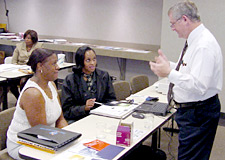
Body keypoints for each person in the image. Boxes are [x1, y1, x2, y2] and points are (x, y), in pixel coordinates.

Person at [149, 1, 223, 160]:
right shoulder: (196, 40)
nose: (173, 28)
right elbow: (189, 68)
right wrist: (170, 66)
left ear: (184, 19)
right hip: (195, 112)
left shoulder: (203, 45)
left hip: (198, 113)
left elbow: (198, 85)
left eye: (173, 24)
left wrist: (169, 73)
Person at [7, 48, 68, 160]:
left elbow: (60, 119)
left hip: (46, 138)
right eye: (54, 64)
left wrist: (68, 137)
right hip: (24, 145)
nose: (58, 67)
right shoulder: (33, 94)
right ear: (40, 66)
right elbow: (42, 132)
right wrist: (63, 140)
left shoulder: (51, 85)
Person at [61, 46, 116, 123]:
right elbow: (67, 111)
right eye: (88, 60)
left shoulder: (103, 76)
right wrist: (84, 108)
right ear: (80, 62)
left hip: (100, 116)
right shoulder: (70, 80)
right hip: (79, 118)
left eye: (94, 59)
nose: (92, 63)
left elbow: (111, 99)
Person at [10, 29, 43, 99]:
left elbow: (39, 61)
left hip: (31, 71)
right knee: (10, 82)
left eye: (29, 38)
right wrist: (17, 68)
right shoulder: (19, 46)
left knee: (23, 81)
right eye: (25, 38)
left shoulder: (39, 47)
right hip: (19, 70)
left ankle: (24, 99)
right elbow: (14, 61)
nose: (26, 40)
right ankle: (19, 98)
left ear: (33, 39)